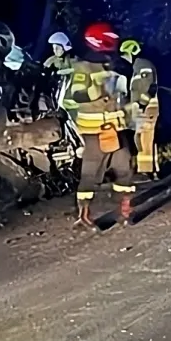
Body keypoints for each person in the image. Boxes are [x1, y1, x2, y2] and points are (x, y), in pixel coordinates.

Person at [69, 21, 136, 227]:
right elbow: (77, 94)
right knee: (91, 174)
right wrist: (100, 86)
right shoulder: (82, 67)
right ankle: (84, 216)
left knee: (125, 168)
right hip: (95, 131)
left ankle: (125, 211)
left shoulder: (113, 65)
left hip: (117, 129)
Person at [121, 39, 160, 179]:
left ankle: (146, 171)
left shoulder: (142, 65)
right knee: (144, 138)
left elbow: (150, 87)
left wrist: (141, 104)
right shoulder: (137, 67)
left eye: (125, 54)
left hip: (147, 108)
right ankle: (152, 169)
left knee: (144, 139)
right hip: (144, 107)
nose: (124, 58)